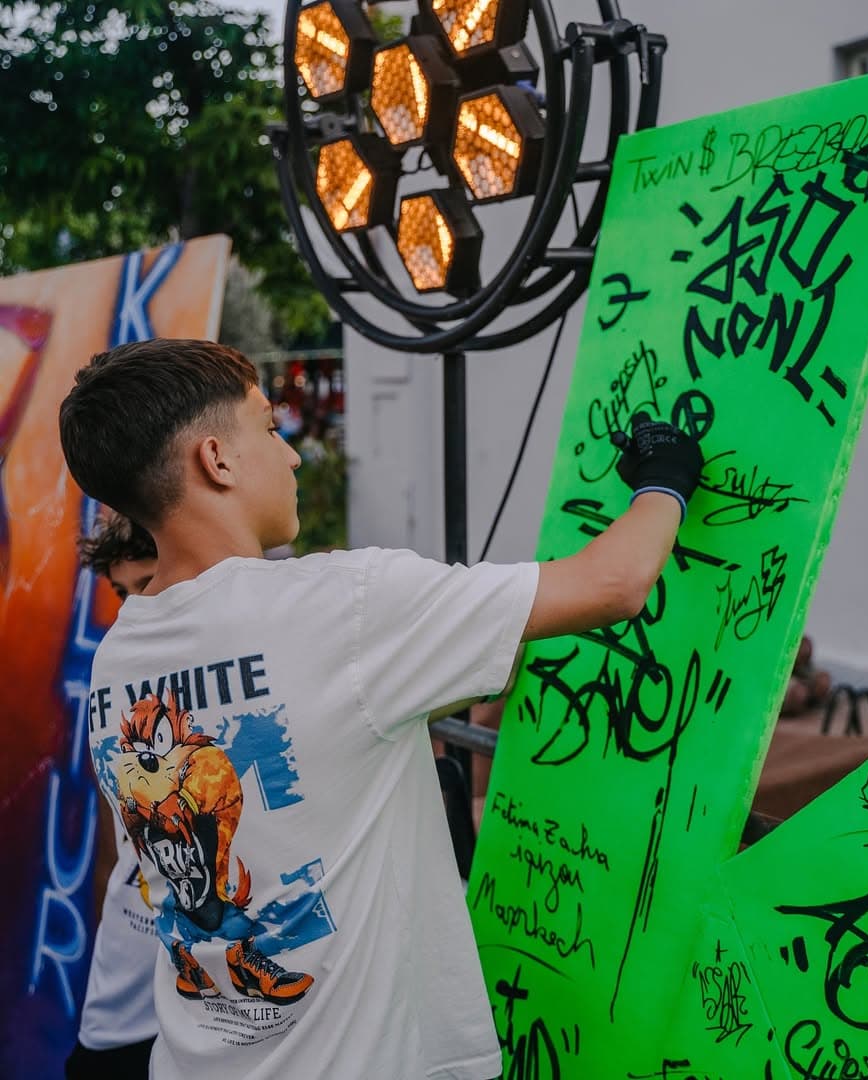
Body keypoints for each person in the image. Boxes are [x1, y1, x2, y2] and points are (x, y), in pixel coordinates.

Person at [57, 339, 702, 1080]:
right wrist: (666, 476)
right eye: (270, 427)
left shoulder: (120, 657)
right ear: (217, 459)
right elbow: (615, 583)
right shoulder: (342, 608)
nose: (293, 455)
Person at [67, 513, 160, 1079]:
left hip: (217, 1012)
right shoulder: (115, 682)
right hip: (120, 1003)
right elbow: (111, 853)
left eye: (146, 584)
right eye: (123, 592)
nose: (131, 609)